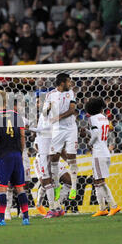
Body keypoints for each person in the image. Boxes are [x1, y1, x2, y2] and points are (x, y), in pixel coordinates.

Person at [0, 90, 30, 227]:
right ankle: (26, 218)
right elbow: (22, 136)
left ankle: (0, 219)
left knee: (2, 188)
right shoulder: (17, 116)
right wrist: (20, 152)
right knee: (20, 187)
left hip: (4, 156)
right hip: (17, 155)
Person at [43, 73, 79, 201]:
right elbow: (44, 113)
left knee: (71, 156)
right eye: (69, 82)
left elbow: (72, 110)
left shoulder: (71, 93)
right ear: (62, 83)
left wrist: (57, 117)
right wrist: (48, 109)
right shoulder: (50, 95)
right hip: (57, 129)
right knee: (54, 157)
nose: (70, 84)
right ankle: (57, 186)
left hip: (70, 128)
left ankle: (74, 186)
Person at [85, 97, 121, 217]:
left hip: (98, 153)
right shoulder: (104, 118)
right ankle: (102, 208)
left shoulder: (92, 119)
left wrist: (89, 144)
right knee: (97, 181)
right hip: (105, 151)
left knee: (100, 181)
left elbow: (95, 134)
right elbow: (102, 131)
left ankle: (114, 206)